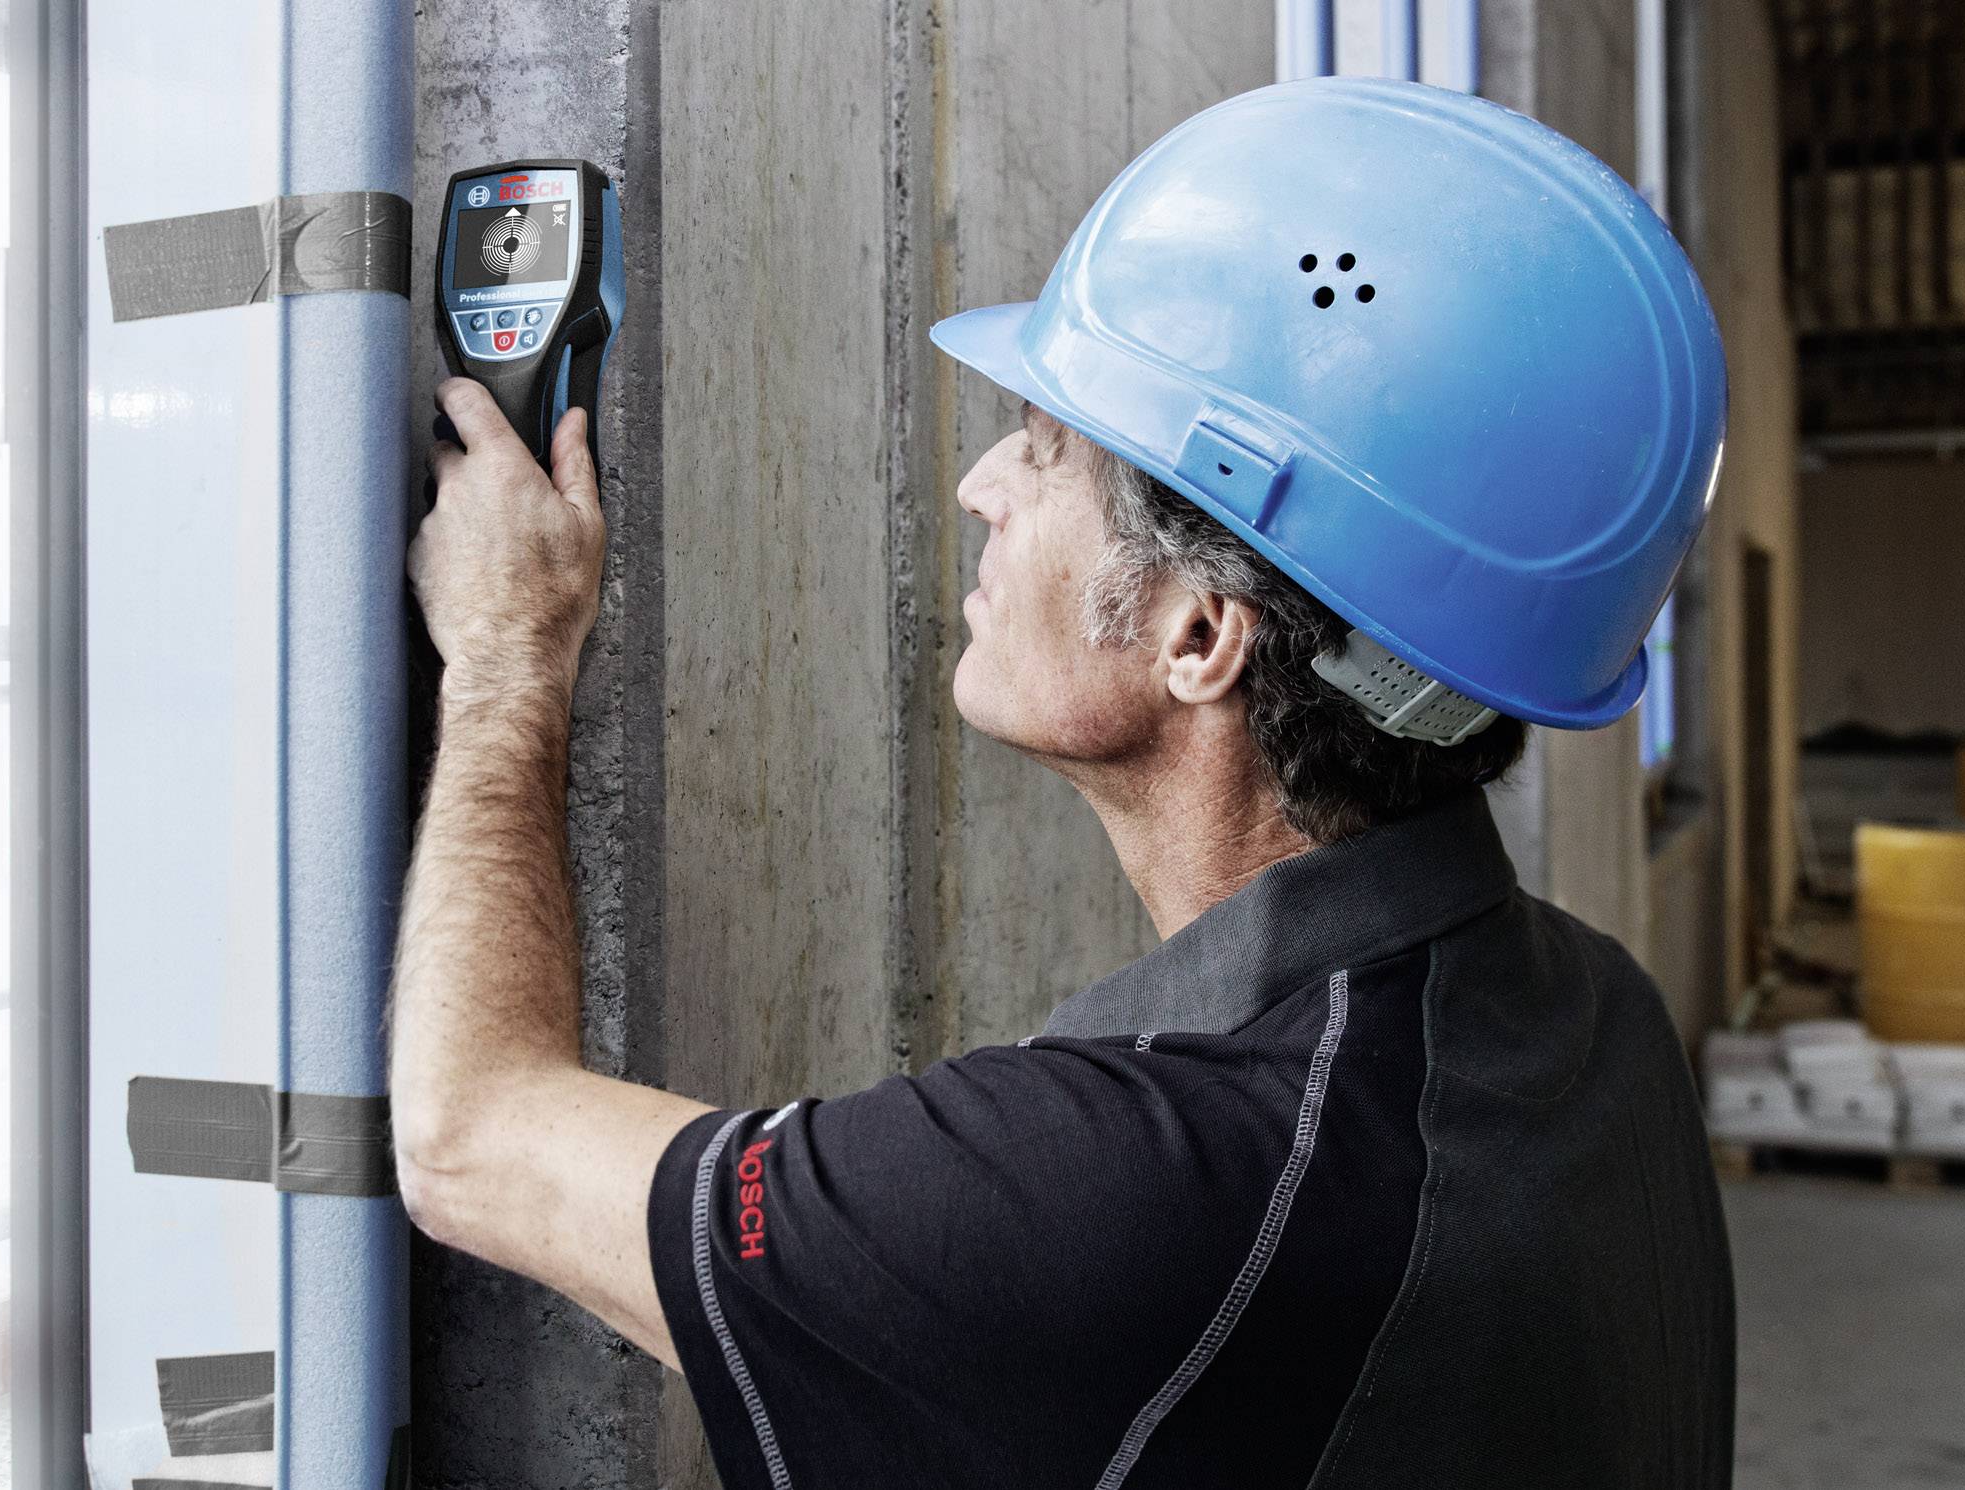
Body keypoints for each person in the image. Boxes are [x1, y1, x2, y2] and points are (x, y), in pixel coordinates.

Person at [391, 77, 1733, 1489]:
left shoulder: (1136, 1191)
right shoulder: (1601, 1030)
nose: (983, 485)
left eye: (1048, 449)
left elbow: (469, 1131)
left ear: (1201, 636)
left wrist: (505, 658)